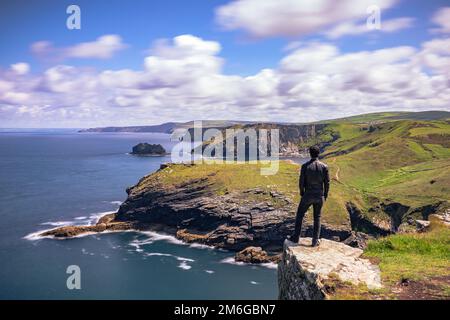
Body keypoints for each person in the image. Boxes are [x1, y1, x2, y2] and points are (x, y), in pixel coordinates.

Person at [291, 145, 330, 246]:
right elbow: (327, 183)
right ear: (318, 153)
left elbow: (301, 182)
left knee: (300, 215)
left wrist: (302, 192)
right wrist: (325, 195)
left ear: (310, 153)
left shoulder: (305, 166)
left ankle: (295, 238)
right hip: (319, 195)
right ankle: (315, 241)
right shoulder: (324, 167)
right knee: (317, 217)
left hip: (308, 194)